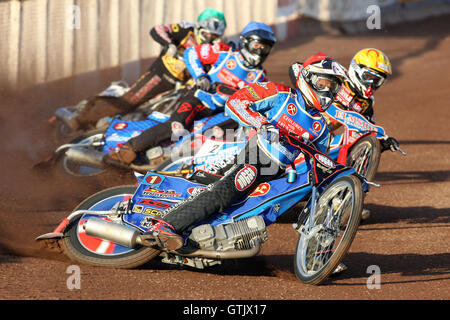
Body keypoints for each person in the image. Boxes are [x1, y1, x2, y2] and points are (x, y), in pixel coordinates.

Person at [142, 53, 348, 251]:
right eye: (324, 84)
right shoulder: (279, 93)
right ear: (308, 77)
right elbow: (236, 103)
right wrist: (262, 123)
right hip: (257, 155)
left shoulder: (321, 127)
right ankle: (165, 225)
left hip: (282, 173)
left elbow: (319, 161)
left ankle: (319, 252)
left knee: (271, 211)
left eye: (333, 87)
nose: (328, 92)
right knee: (230, 189)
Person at [105, 21, 277, 166]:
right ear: (246, 42)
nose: (260, 52)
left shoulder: (260, 76)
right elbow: (192, 52)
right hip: (199, 100)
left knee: (228, 134)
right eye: (257, 45)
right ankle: (128, 148)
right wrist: (200, 75)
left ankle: (185, 161)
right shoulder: (224, 52)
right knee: (176, 127)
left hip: (222, 112)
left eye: (265, 48)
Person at [61, 8, 227, 132]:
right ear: (200, 28)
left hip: (184, 85)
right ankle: (80, 119)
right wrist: (168, 44)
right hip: (163, 74)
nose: (210, 38)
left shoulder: (215, 48)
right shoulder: (186, 29)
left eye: (214, 36)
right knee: (130, 101)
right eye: (207, 34)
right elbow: (158, 29)